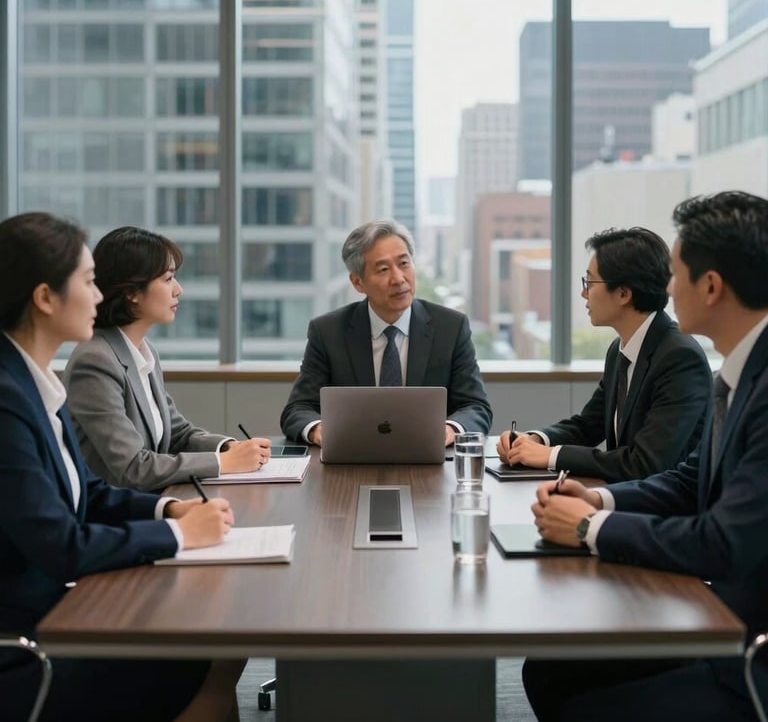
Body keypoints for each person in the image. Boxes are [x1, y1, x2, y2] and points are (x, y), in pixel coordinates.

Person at [525, 191, 768, 722]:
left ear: (711, 286)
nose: (668, 288)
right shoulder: (738, 374)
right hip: (722, 615)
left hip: (746, 650)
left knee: (578, 699)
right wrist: (599, 500)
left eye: (676, 274)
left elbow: (723, 541)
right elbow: (687, 481)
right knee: (547, 669)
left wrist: (588, 527)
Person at [0, 212, 242, 722]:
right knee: (199, 651)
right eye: (89, 282)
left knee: (212, 644)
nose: (98, 296)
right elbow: (61, 543)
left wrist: (169, 510)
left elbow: (89, 493)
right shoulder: (8, 399)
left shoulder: (33, 381)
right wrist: (180, 536)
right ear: (45, 298)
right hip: (28, 643)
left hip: (57, 609)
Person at [497, 227, 712, 482]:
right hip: (624, 496)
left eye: (589, 283)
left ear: (623, 294)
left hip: (667, 504)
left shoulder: (680, 358)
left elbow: (645, 464)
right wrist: (535, 440)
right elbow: (589, 425)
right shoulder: (620, 349)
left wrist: (551, 455)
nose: (583, 293)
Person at [64, 226, 271, 491]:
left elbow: (177, 434)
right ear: (132, 292)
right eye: (168, 278)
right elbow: (133, 468)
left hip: (154, 500)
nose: (178, 289)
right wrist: (224, 462)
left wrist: (229, 447)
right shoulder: (95, 361)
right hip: (115, 511)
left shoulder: (144, 350)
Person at [280, 219, 492, 445]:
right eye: (383, 269)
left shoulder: (450, 327)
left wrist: (449, 430)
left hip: (430, 457)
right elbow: (298, 409)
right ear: (358, 282)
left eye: (404, 263)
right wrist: (318, 430)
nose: (398, 279)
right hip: (353, 455)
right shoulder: (328, 332)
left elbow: (475, 407)